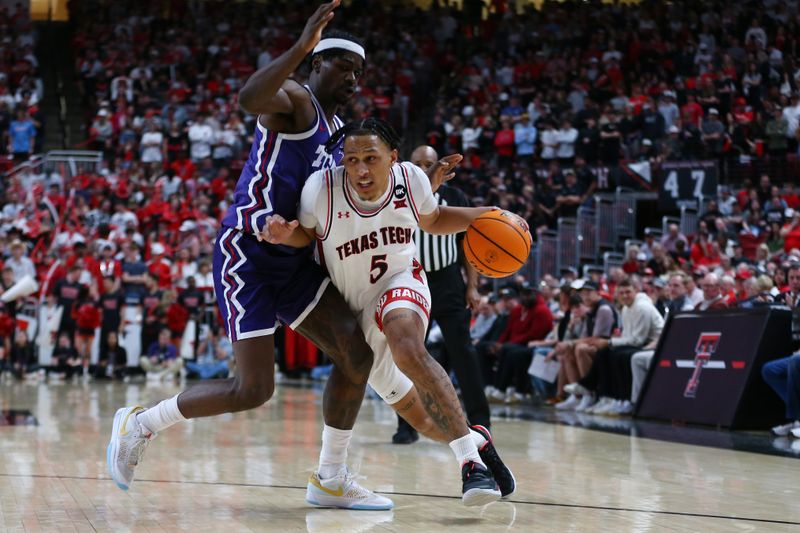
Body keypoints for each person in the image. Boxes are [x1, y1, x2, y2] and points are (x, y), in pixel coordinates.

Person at [107, 1, 459, 511]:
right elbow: (249, 98)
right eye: (344, 68)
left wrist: (421, 187)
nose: (354, 81)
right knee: (251, 390)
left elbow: (362, 194)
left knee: (355, 352)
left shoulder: (340, 137)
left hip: (294, 259)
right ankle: (140, 423)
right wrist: (300, 45)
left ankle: (331, 478)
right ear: (317, 64)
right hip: (248, 255)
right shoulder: (296, 99)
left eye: (360, 74)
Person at [266, 118, 517, 505]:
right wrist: (287, 235)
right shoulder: (321, 190)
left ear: (392, 157)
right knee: (429, 423)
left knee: (406, 343)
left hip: (402, 280)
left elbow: (431, 220)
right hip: (356, 309)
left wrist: (485, 214)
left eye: (370, 158)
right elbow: (308, 234)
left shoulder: (412, 179)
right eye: (351, 160)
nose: (360, 169)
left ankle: (471, 466)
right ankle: (476, 439)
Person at [389, 144, 491, 445]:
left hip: (447, 280)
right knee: (408, 353)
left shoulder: (455, 198)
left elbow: (468, 247)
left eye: (429, 163)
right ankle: (407, 426)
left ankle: (481, 422)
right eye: (418, 163)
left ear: (442, 168)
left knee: (463, 351)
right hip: (410, 278)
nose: (424, 168)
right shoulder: (400, 195)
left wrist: (472, 286)